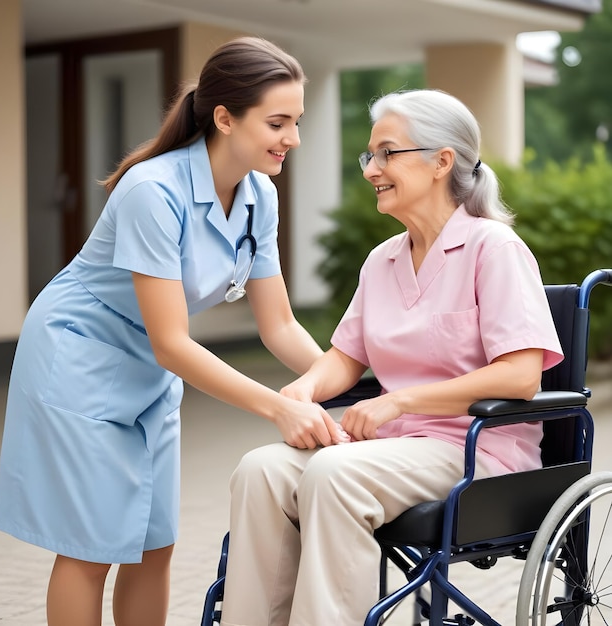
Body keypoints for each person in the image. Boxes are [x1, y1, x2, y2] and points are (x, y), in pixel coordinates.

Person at [0, 36, 347, 626]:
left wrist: (337, 385)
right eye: (278, 122)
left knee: (154, 544)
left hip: (151, 371)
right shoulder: (152, 191)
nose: (294, 138)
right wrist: (279, 409)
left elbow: (279, 323)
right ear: (225, 118)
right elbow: (173, 341)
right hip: (80, 357)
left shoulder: (260, 194)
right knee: (91, 549)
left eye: (297, 121)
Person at [218, 88, 564, 626]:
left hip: (476, 451)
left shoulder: (494, 249)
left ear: (441, 161)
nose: (371, 169)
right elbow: (343, 357)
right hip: (393, 450)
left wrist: (398, 401)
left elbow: (520, 376)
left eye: (386, 153)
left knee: (334, 473)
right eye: (370, 156)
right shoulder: (383, 260)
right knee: (260, 469)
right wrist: (303, 390)